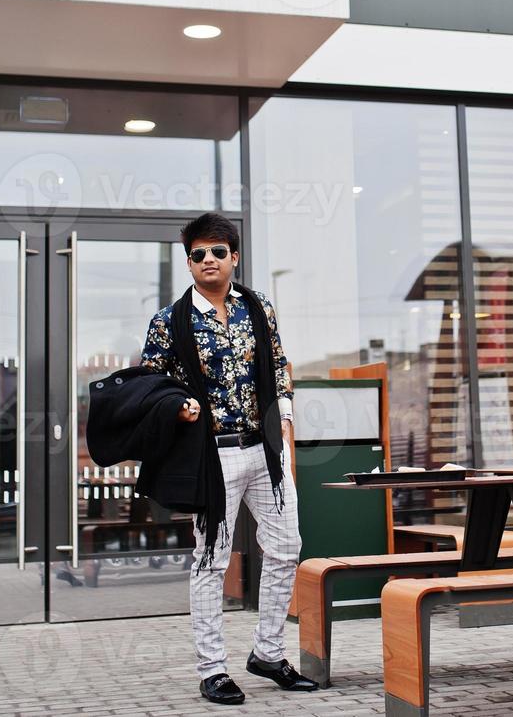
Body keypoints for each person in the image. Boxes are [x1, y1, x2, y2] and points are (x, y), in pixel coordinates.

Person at [139, 212, 318, 705]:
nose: (208, 260)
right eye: (198, 253)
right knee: (211, 561)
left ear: (234, 257)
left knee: (286, 548)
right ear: (189, 261)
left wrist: (284, 422)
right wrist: (178, 405)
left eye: (218, 251)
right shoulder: (169, 321)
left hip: (265, 450)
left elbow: (278, 364)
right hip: (212, 456)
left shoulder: (258, 307)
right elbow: (149, 384)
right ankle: (212, 668)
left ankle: (267, 652)